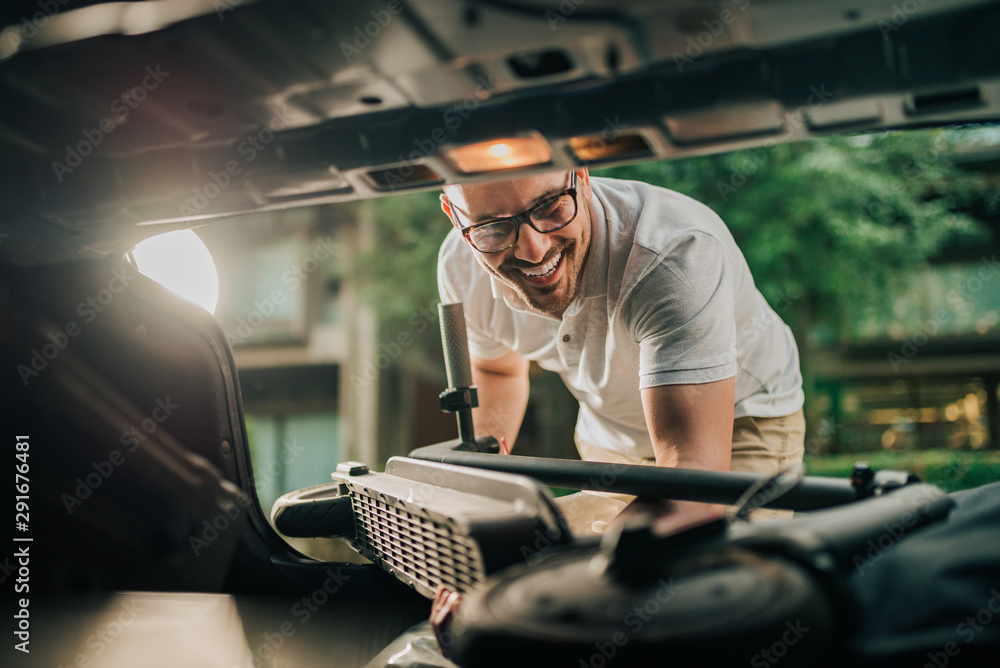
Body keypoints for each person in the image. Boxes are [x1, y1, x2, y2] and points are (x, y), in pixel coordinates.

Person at [437, 168, 805, 533]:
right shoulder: (461, 266)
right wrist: (478, 483)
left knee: (704, 576)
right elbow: (499, 370)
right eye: (493, 228)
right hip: (611, 435)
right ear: (455, 218)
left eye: (549, 206)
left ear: (581, 177)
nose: (534, 249)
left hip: (738, 425)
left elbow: (693, 478)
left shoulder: (673, 254)